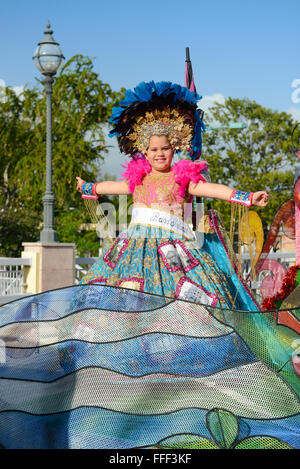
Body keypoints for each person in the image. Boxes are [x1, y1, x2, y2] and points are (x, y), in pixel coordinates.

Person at [75, 81, 268, 310]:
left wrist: (246, 197)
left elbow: (213, 189)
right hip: (133, 249)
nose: (159, 154)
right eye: (154, 149)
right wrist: (88, 187)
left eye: (165, 148)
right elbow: (109, 187)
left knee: (183, 302)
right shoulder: (138, 180)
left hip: (175, 251)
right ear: (144, 152)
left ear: (174, 148)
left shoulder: (182, 178)